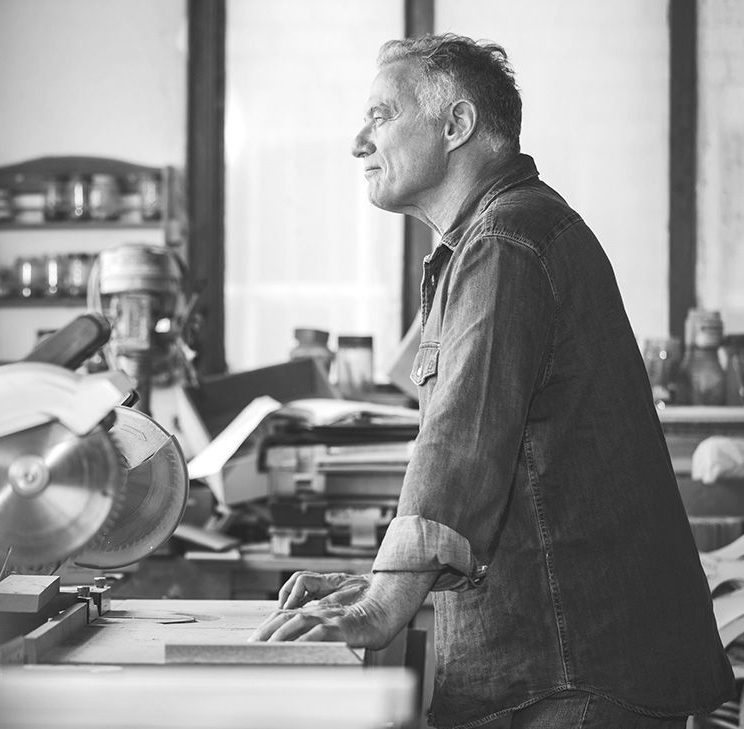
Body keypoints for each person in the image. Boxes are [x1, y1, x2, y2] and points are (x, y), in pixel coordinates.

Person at [249, 33, 734, 729]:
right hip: (572, 661)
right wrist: (378, 577)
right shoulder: (504, 233)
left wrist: (383, 602)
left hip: (577, 673)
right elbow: (497, 463)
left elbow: (461, 444)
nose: (358, 140)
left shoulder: (505, 242)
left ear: (456, 125)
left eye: (380, 115)